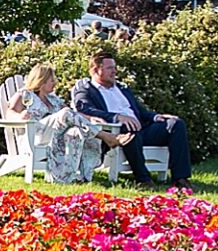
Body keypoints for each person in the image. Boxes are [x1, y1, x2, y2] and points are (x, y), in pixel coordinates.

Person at [70, 47, 192, 189]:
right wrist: (116, 117)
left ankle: (180, 179)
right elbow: (84, 108)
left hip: (142, 128)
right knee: (129, 128)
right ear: (96, 70)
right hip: (117, 132)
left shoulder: (121, 88)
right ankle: (143, 179)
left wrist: (156, 117)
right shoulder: (86, 89)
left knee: (175, 124)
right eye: (110, 68)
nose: (114, 71)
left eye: (114, 68)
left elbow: (138, 110)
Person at [7, 62, 127, 184]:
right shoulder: (24, 94)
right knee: (64, 113)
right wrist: (20, 116)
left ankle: (76, 177)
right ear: (41, 81)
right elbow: (9, 113)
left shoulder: (53, 99)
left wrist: (90, 119)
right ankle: (106, 136)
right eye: (51, 80)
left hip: (55, 135)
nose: (55, 83)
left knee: (75, 132)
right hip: (35, 134)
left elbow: (73, 113)